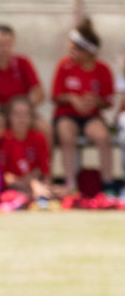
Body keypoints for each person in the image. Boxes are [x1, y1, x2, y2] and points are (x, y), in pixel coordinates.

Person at [49, 22, 117, 189]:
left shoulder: (102, 69)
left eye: (76, 49)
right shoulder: (64, 65)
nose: (71, 52)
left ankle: (107, 183)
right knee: (66, 136)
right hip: (65, 115)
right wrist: (73, 99)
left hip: (91, 117)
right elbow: (55, 96)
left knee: (103, 137)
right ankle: (70, 184)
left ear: (88, 52)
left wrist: (95, 101)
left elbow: (108, 101)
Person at [5, 95, 57, 201]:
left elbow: (45, 171)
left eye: (25, 114)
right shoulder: (3, 138)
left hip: (35, 185)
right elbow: (4, 176)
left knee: (62, 191)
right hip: (11, 187)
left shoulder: (39, 138)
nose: (21, 119)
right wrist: (32, 184)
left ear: (31, 117)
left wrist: (46, 188)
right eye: (17, 114)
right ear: (9, 116)